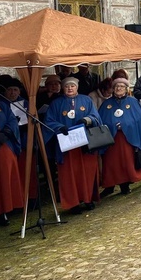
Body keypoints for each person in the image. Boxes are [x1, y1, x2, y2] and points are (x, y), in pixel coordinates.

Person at [44, 77, 102, 213]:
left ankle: (87, 199)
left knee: (86, 172)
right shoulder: (56, 103)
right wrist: (59, 127)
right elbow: (49, 121)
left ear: (77, 87)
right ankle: (73, 203)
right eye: (67, 86)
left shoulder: (86, 100)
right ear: (63, 88)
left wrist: (87, 120)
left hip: (85, 144)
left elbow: (96, 117)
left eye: (72, 86)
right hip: (66, 146)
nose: (70, 88)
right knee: (68, 175)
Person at [98, 78, 141, 196]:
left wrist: (125, 125)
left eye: (122, 87)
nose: (119, 89)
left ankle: (125, 185)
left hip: (127, 138)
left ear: (126, 89)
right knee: (110, 162)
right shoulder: (106, 104)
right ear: (113, 89)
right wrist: (112, 125)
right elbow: (101, 121)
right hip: (111, 139)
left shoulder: (132, 102)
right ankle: (109, 185)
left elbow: (138, 119)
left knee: (126, 161)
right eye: (116, 87)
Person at [0, 93, 23, 226]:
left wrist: (5, 133)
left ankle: (6, 209)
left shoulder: (1, 104)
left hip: (4, 145)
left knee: (4, 178)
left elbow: (12, 120)